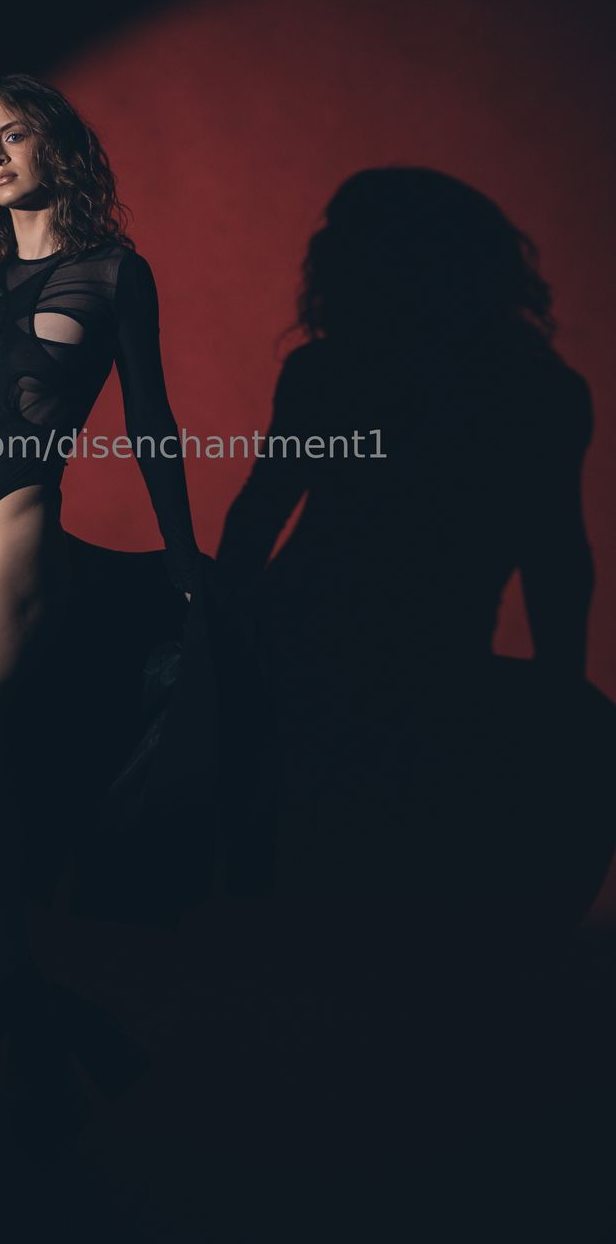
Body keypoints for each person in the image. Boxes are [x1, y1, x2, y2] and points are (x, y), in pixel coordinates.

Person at [0, 72, 203, 1131]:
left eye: (10, 136)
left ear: (52, 144)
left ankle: (27, 1008)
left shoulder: (114, 271)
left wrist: (183, 555)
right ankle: (28, 1014)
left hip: (11, 537)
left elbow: (150, 420)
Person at [213, 167, 615, 933]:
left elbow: (257, 516)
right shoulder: (539, 391)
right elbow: (556, 556)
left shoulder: (328, 372)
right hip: (397, 655)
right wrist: (559, 690)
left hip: (311, 648)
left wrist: (219, 640)